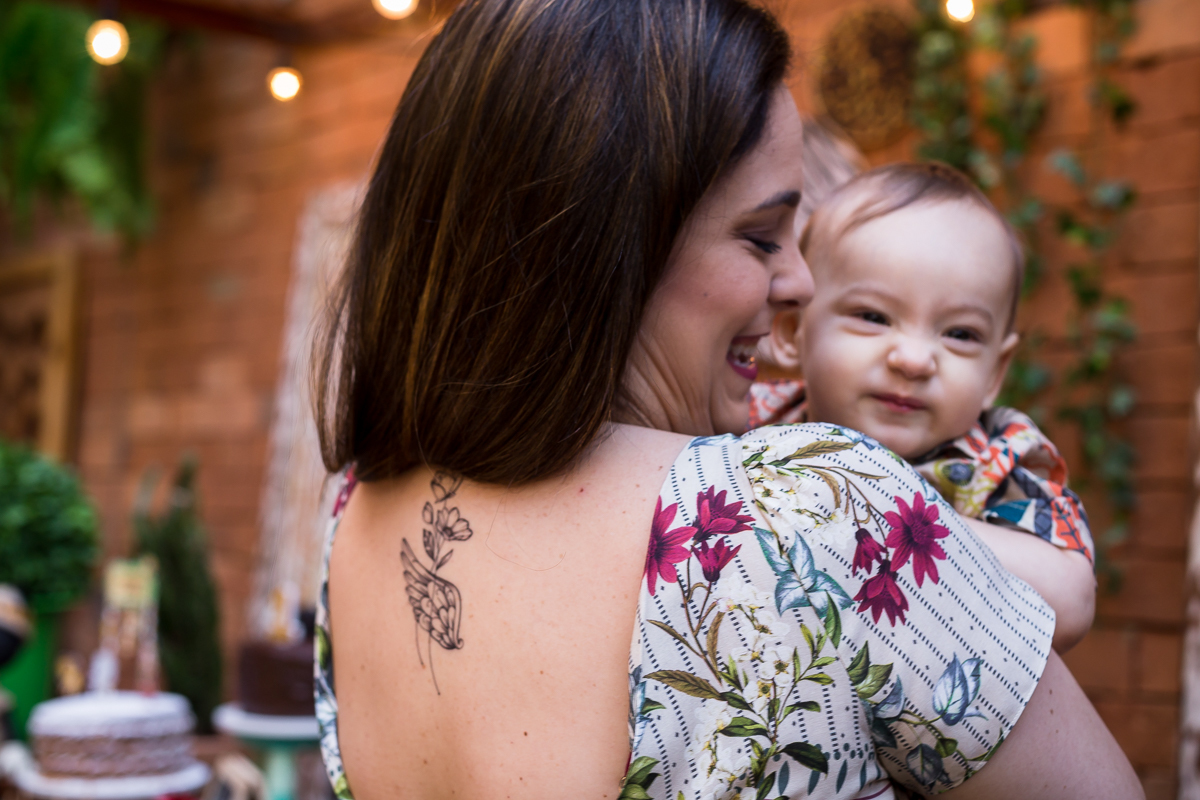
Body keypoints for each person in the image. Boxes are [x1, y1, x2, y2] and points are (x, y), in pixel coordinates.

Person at [311, 0, 1142, 798]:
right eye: (759, 236)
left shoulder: (350, 511)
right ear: (612, 241)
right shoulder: (810, 510)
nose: (800, 281)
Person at [749, 163, 1095, 653]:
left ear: (995, 373)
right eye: (873, 317)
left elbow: (1070, 601)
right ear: (791, 333)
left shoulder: (994, 465)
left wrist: (871, 509)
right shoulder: (755, 420)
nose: (914, 360)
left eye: (960, 334)